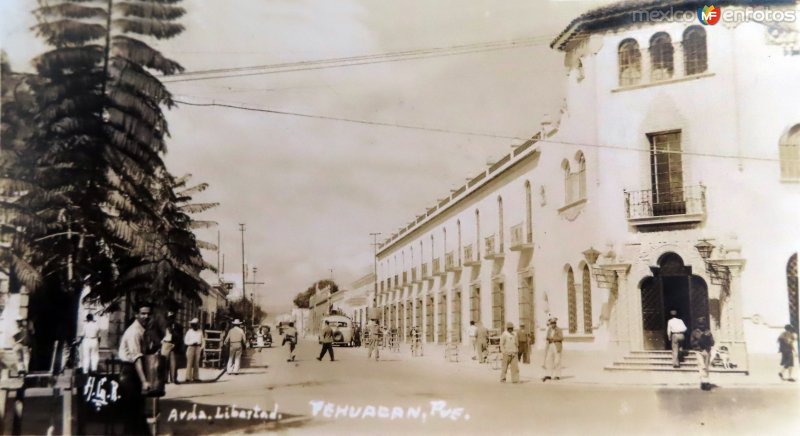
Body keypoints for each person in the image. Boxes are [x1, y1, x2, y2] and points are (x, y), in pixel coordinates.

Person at [118, 302, 154, 435]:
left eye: (149, 314)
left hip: (133, 373)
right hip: (129, 374)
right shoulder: (134, 332)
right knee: (133, 414)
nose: (146, 316)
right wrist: (144, 381)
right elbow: (137, 359)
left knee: (137, 414)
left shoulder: (142, 330)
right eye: (143, 313)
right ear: (136, 315)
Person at [690, 316, 715, 391]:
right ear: (698, 325)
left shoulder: (708, 332)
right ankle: (704, 382)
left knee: (706, 367)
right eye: (700, 325)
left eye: (703, 324)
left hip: (707, 351)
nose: (702, 326)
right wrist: (700, 340)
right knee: (702, 366)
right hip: (699, 351)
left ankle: (705, 382)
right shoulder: (694, 332)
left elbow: (713, 342)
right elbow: (692, 343)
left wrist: (708, 339)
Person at [161, 310, 184, 384]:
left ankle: (174, 379)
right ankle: (164, 379)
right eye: (169, 318)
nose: (170, 319)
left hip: (173, 344)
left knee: (174, 363)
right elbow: (159, 334)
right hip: (165, 344)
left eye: (172, 317)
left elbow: (180, 337)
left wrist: (175, 343)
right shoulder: (163, 326)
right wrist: (161, 342)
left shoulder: (178, 326)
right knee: (164, 362)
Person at [542, 317, 563, 382]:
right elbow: (547, 337)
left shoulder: (559, 330)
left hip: (556, 345)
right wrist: (549, 338)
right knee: (549, 360)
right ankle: (548, 375)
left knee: (557, 361)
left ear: (555, 323)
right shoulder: (549, 329)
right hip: (550, 345)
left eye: (554, 323)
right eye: (551, 323)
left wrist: (553, 339)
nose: (552, 324)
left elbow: (561, 338)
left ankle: (557, 375)